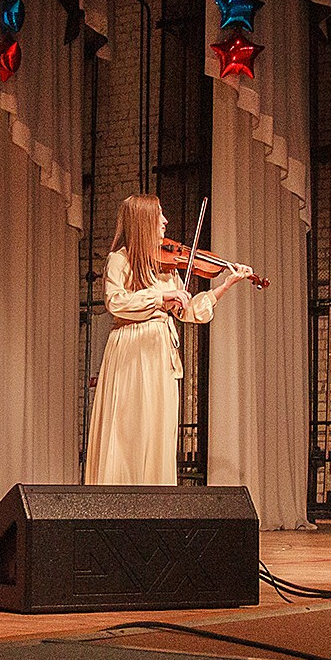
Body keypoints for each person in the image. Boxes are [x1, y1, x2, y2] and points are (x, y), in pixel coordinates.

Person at [85, 193, 255, 485]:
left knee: (158, 426)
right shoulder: (119, 260)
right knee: (128, 426)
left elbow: (188, 311)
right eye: (159, 215)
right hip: (130, 346)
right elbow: (116, 301)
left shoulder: (165, 267)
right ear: (143, 221)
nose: (165, 222)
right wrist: (161, 295)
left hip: (160, 348)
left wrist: (226, 284)